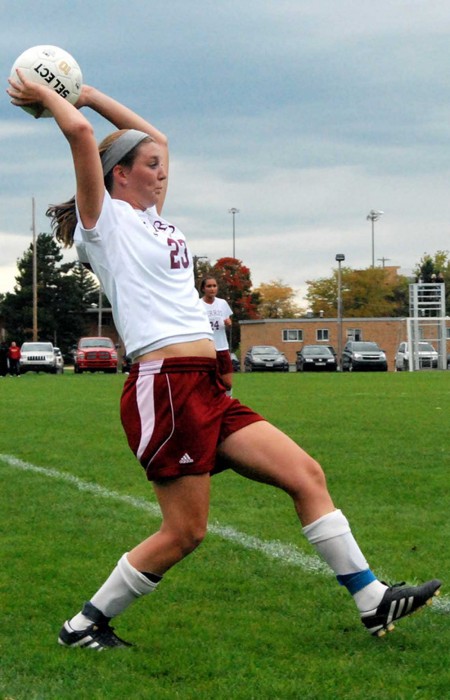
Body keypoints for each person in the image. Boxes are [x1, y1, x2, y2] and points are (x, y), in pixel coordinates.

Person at [7, 71, 441, 651]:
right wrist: (57, 99)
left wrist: (87, 92)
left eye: (162, 164)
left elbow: (150, 133)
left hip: (205, 384)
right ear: (119, 174)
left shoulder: (157, 221)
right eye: (150, 165)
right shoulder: (103, 223)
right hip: (164, 385)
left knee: (305, 474)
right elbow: (83, 134)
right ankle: (83, 625)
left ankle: (370, 598)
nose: (162, 171)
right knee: (185, 532)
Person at [200, 276, 234, 393]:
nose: (212, 289)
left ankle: (228, 404)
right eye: (209, 286)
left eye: (214, 286)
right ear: (203, 289)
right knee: (208, 383)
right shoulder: (198, 305)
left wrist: (229, 324)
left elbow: (228, 323)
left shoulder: (222, 303)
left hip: (222, 347)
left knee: (228, 383)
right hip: (207, 349)